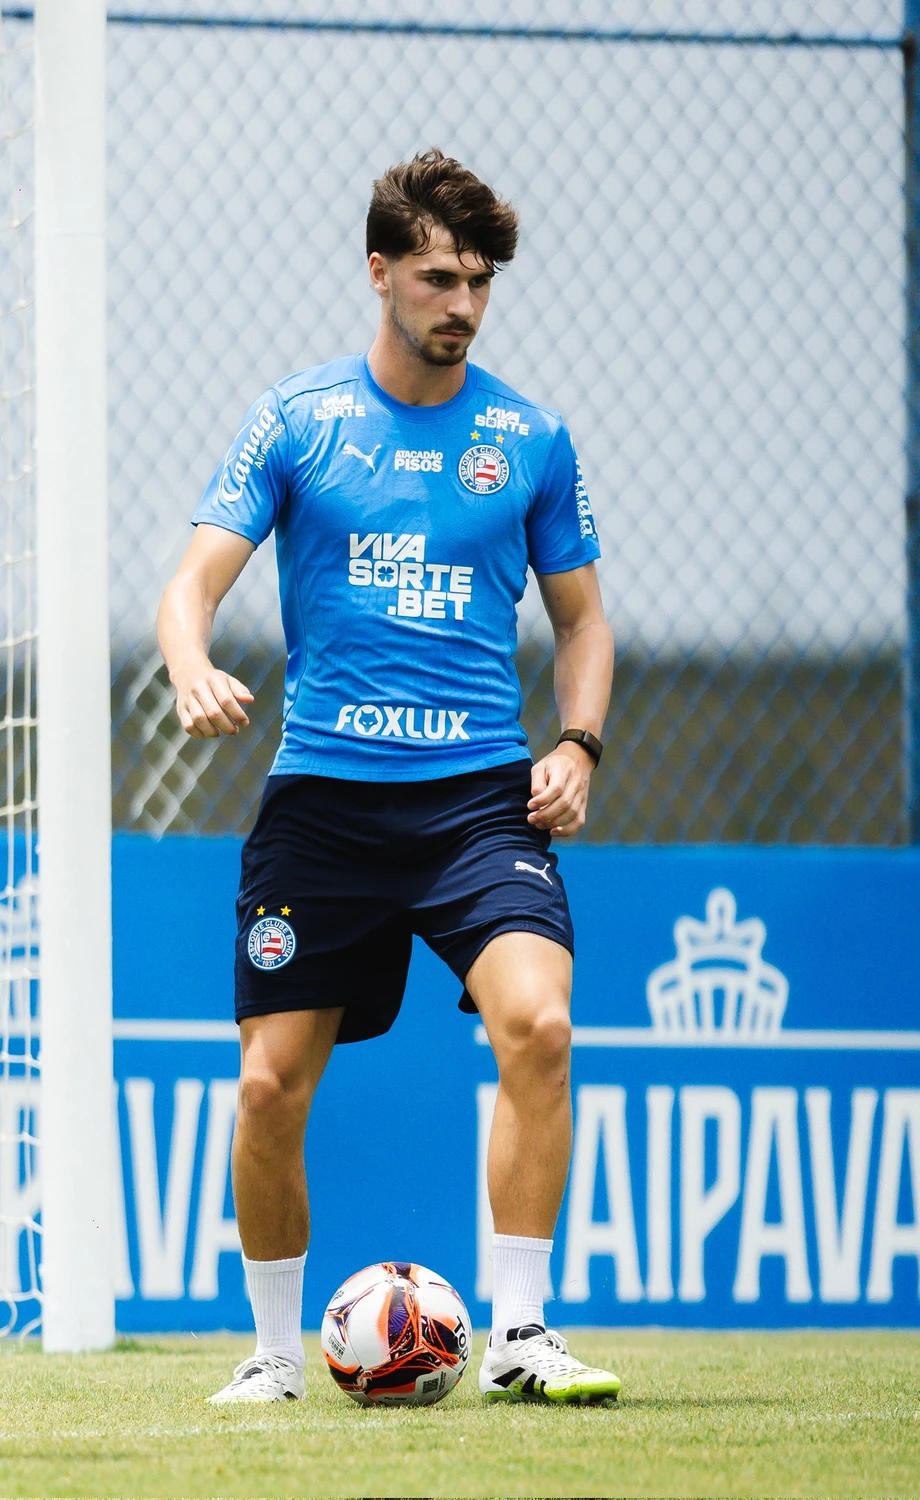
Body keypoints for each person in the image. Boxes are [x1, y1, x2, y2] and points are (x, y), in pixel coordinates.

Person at [157, 149, 618, 1406]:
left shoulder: (529, 438)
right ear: (379, 272)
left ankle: (520, 1337)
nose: (460, 302)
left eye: (477, 281)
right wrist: (192, 663)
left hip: (479, 803)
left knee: (541, 1023)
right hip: (325, 807)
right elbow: (192, 584)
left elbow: (582, 623)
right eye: (435, 276)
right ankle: (274, 1356)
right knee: (266, 1085)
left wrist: (575, 743)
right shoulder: (298, 418)